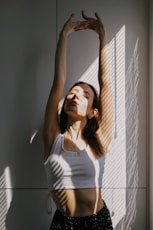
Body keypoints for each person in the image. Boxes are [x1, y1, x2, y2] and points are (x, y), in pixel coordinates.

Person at [43, 11, 113, 230]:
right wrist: (64, 35)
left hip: (98, 222)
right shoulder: (52, 138)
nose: (75, 95)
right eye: (73, 93)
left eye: (85, 95)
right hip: (64, 224)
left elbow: (106, 84)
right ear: (65, 104)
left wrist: (103, 37)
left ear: (93, 111)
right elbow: (58, 82)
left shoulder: (100, 140)